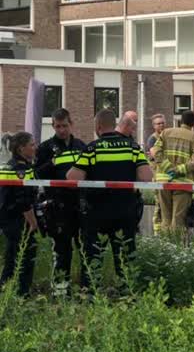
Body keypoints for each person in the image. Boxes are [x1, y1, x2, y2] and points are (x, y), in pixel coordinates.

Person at [66, 109, 152, 289]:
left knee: (93, 256)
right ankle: (128, 294)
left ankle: (91, 294)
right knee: (125, 258)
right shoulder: (132, 147)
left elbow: (72, 178)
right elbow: (146, 176)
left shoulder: (92, 148)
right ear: (114, 125)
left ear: (98, 127)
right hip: (125, 211)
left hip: (97, 212)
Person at [34, 108, 86, 287]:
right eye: (58, 126)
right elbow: (36, 175)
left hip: (79, 204)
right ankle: (61, 290)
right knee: (62, 251)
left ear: (71, 124)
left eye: (64, 126)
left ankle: (86, 290)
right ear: (53, 126)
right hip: (58, 206)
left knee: (85, 249)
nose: (62, 130)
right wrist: (52, 163)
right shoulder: (45, 148)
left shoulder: (81, 146)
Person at [152, 110, 194, 232]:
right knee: (178, 220)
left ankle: (165, 243)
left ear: (181, 121)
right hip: (182, 183)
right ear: (193, 123)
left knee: (165, 218)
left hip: (164, 181)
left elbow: (156, 152)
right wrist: (179, 170)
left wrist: (168, 168)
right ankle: (176, 243)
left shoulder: (166, 132)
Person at [0, 132, 38, 297]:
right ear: (21, 149)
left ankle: (4, 288)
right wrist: (33, 222)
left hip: (7, 218)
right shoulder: (21, 169)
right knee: (26, 256)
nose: (35, 147)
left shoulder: (9, 165)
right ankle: (22, 294)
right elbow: (23, 200)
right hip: (18, 219)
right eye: (32, 145)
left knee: (11, 256)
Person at [146, 114, 167, 232]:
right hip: (158, 177)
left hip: (167, 177)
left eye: (163, 123)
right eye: (158, 124)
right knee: (159, 205)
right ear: (154, 126)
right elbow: (155, 155)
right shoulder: (152, 139)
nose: (161, 125)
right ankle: (157, 232)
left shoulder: (167, 137)